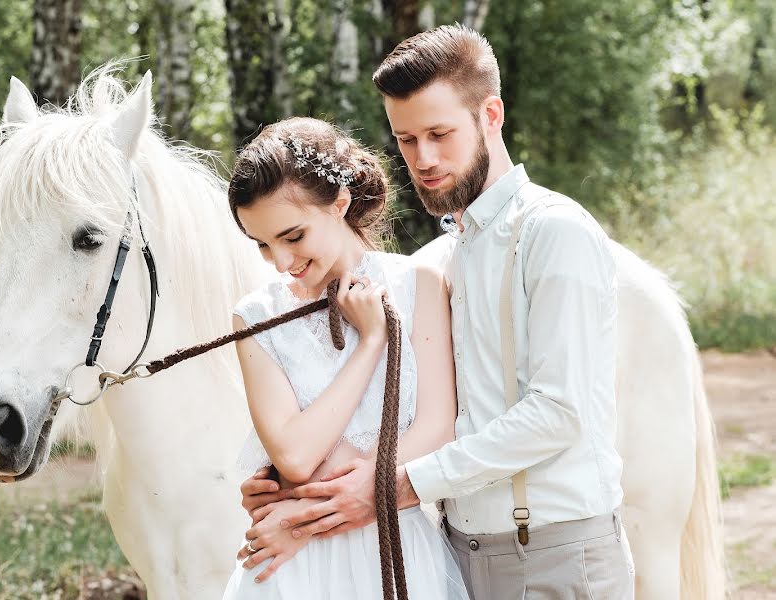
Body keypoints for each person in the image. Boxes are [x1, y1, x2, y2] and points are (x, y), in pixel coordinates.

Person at [239, 25, 635, 599]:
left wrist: (393, 486)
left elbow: (558, 412)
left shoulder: (553, 233)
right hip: (455, 556)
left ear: (491, 115)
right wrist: (290, 490)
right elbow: (416, 413)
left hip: (554, 552)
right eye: (405, 139)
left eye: (440, 134)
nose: (423, 159)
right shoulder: (436, 262)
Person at [221, 116, 468, 599]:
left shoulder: (417, 286)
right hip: (295, 571)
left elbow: (437, 428)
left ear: (340, 203)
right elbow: (294, 456)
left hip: (397, 545)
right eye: (263, 245)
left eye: (293, 236)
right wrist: (372, 342)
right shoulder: (256, 316)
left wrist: (306, 517)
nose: (281, 261)